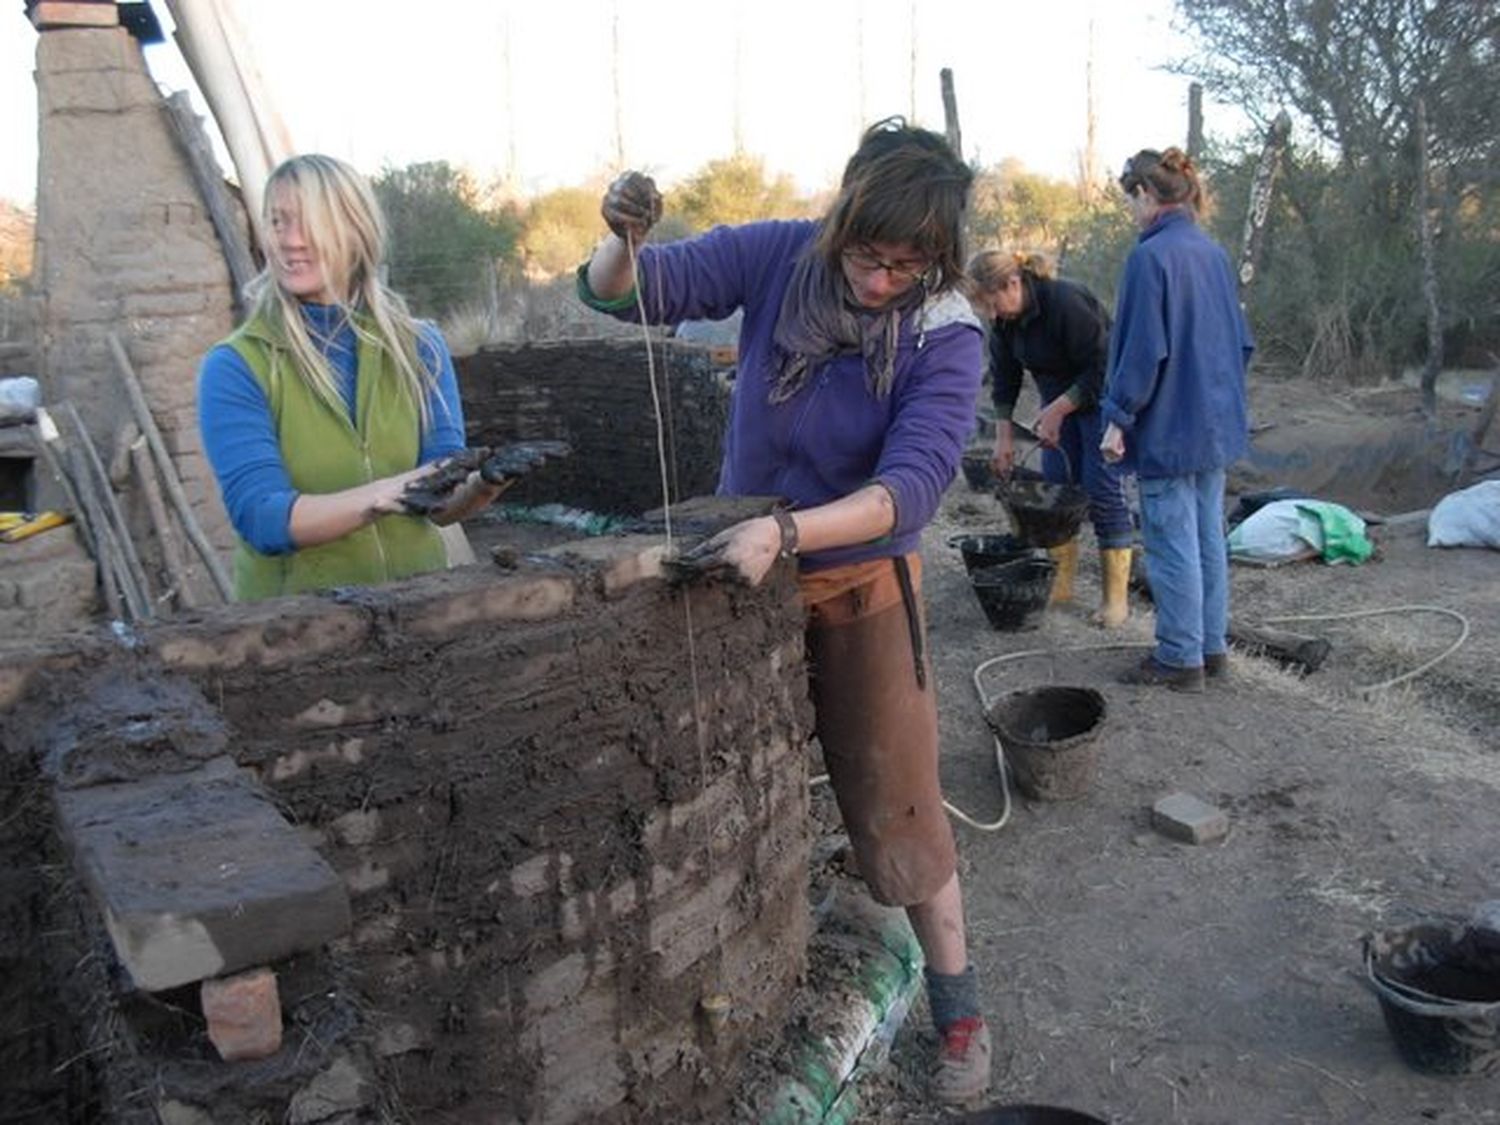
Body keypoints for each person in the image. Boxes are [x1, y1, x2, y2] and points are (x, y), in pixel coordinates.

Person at [578, 118, 993, 1106]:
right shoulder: (778, 258)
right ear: (839, 217)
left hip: (856, 583)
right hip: (740, 574)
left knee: (899, 807)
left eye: (908, 265)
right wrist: (621, 238)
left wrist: (794, 532)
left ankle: (961, 1007)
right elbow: (624, 293)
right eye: (868, 255)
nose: (882, 280)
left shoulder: (947, 333)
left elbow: (911, 489)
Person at [198, 154, 502, 601]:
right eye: (278, 222)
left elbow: (438, 502)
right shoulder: (237, 366)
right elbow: (263, 518)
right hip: (295, 631)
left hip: (417, 611)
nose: (290, 241)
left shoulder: (419, 347)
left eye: (309, 223)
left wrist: (482, 486)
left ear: (355, 229)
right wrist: (384, 494)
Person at [1099, 147, 1254, 691]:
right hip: (1215, 423)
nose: (1131, 212)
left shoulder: (1151, 258)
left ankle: (1178, 658)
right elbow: (1242, 344)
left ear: (1145, 194)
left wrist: (1118, 417)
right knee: (1209, 535)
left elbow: (1144, 351)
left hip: (1169, 425)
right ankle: (1211, 649)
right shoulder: (1212, 253)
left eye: (1131, 200)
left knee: (1171, 543)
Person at [968, 249, 1134, 627]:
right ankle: (1060, 585)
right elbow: (1005, 378)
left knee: (1101, 489)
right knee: (1057, 489)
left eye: (993, 303)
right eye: (985, 309)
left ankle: (1115, 602)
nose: (992, 315)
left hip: (1100, 398)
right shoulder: (1006, 323)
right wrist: (1003, 438)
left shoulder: (1065, 301)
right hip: (1054, 396)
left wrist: (1061, 408)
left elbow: (1103, 365)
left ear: (1013, 283)